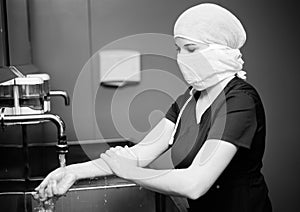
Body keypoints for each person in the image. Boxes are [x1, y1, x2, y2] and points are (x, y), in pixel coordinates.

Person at [35, 3, 272, 211]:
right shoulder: (189, 99)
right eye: (178, 49)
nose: (182, 57)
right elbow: (140, 153)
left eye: (190, 49)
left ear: (221, 51)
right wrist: (73, 172)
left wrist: (129, 172)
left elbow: (195, 184)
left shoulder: (239, 102)